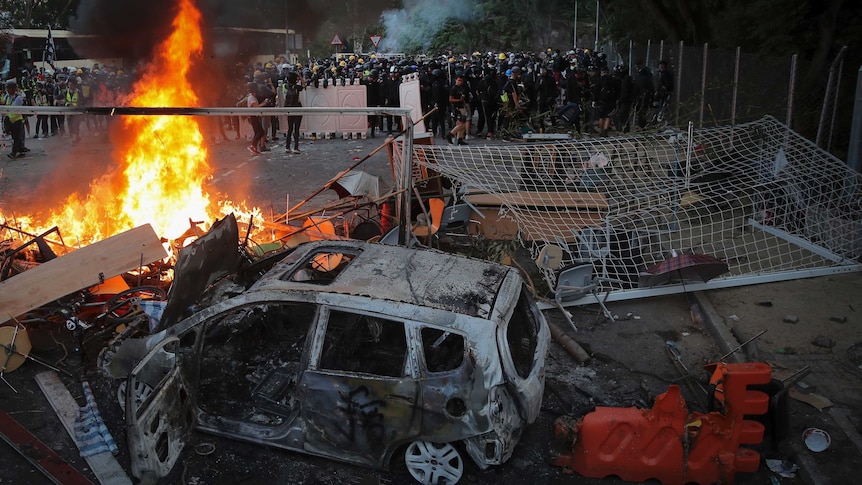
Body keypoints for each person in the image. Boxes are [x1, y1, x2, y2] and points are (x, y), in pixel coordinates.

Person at [3, 79, 27, 159]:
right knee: (15, 137)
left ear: (13, 88)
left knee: (17, 138)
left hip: (17, 120)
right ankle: (21, 150)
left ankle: (13, 153)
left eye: (8, 88)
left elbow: (14, 108)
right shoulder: (7, 96)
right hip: (10, 119)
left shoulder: (18, 98)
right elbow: (3, 103)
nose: (7, 90)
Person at [281, 70, 305, 154]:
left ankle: (287, 147)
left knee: (290, 129)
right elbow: (304, 85)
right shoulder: (297, 87)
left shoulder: (285, 86)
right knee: (296, 129)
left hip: (288, 109)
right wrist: (301, 77)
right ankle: (296, 147)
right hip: (297, 108)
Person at [246, 81, 269, 155]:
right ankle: (252, 146)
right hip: (253, 117)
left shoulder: (251, 96)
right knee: (260, 132)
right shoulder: (252, 98)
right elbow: (256, 107)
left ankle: (254, 149)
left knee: (257, 132)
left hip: (254, 117)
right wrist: (264, 103)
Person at [446, 74, 470, 145]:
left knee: (462, 123)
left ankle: (460, 138)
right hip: (457, 108)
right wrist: (459, 100)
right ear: (456, 80)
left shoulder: (461, 88)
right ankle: (451, 134)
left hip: (462, 106)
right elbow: (451, 99)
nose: (460, 82)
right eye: (459, 80)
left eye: (461, 81)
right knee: (461, 124)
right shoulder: (454, 89)